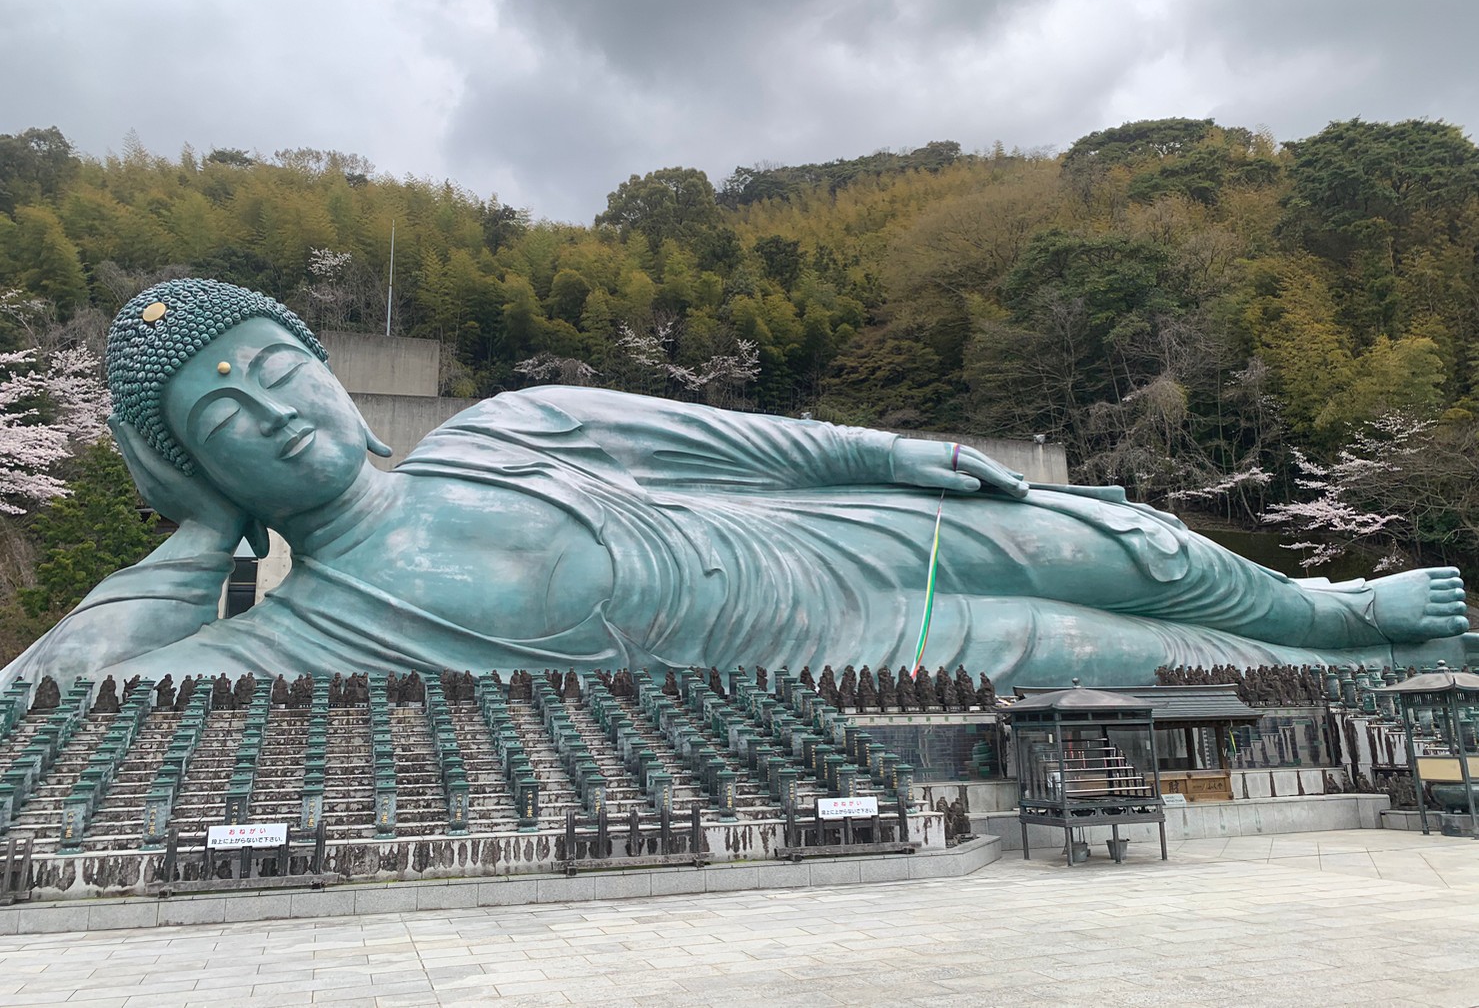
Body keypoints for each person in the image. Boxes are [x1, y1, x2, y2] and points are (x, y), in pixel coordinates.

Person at [2, 279, 1471, 688]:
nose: (275, 416)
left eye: (278, 370)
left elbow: (729, 443)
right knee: (1159, 660)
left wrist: (891, 452)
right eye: (223, 424)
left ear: (327, 367)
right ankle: (1376, 665)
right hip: (870, 654)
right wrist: (198, 543)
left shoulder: (504, 428)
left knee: (1127, 541)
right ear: (199, 463)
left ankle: (1336, 607)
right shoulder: (311, 629)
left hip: (833, 532)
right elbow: (47, 709)